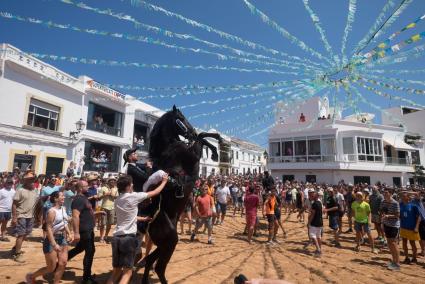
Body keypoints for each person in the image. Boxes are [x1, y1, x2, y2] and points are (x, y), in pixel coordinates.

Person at [106, 174, 168, 284]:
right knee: (127, 273)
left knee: (116, 271)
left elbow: (128, 216)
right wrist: (164, 182)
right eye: (131, 184)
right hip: (127, 239)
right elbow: (154, 193)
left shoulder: (117, 200)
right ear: (128, 186)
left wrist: (142, 219)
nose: (133, 185)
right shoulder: (133, 196)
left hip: (116, 238)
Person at [26, 191, 72, 283]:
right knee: (51, 268)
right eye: (62, 196)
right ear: (55, 199)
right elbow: (48, 228)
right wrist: (54, 244)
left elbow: (65, 222)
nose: (64, 197)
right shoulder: (51, 211)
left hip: (62, 238)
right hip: (52, 240)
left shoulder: (63, 208)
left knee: (63, 263)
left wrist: (69, 233)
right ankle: (31, 276)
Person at [68, 180, 97, 284]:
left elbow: (86, 212)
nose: (88, 187)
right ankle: (86, 278)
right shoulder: (78, 200)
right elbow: (75, 216)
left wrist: (97, 213)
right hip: (84, 230)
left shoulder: (84, 198)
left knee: (79, 248)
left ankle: (60, 263)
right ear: (80, 188)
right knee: (90, 251)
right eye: (86, 186)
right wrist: (76, 233)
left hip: (88, 229)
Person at [11, 171, 38, 263]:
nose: (32, 181)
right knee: (21, 235)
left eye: (33, 179)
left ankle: (15, 248)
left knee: (26, 233)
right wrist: (14, 217)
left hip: (31, 216)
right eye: (30, 179)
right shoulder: (20, 190)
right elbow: (14, 204)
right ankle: (17, 254)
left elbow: (36, 204)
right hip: (21, 215)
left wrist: (37, 216)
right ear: (25, 181)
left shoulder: (34, 190)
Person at [380, 188, 400, 271]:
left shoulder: (395, 203)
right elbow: (381, 211)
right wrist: (382, 218)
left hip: (393, 225)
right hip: (386, 224)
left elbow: (398, 215)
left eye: (386, 192)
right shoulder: (383, 202)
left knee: (393, 243)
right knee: (389, 243)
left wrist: (388, 216)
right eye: (384, 192)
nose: (384, 194)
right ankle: (393, 260)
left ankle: (397, 263)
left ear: (391, 193)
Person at [399, 191, 420, 264]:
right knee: (404, 243)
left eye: (404, 196)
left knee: (412, 243)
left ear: (408, 197)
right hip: (403, 227)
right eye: (402, 196)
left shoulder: (413, 205)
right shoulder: (400, 204)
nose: (402, 197)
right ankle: (406, 257)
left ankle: (414, 258)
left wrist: (416, 227)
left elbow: (419, 217)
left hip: (411, 227)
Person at [98, 177, 118, 243]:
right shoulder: (103, 188)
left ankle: (106, 236)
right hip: (104, 207)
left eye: (114, 181)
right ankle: (101, 237)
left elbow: (117, 197)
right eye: (111, 181)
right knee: (103, 224)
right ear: (108, 181)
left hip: (112, 208)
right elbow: (98, 198)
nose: (112, 182)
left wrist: (112, 195)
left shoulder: (116, 189)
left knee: (110, 223)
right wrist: (105, 194)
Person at [307, 191, 323, 256]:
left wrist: (309, 222)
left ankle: (318, 250)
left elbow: (312, 214)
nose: (311, 197)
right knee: (319, 236)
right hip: (320, 222)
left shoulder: (314, 204)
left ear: (315, 197)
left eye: (313, 196)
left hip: (314, 222)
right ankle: (319, 249)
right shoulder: (319, 203)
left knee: (313, 236)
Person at [0, 177, 15, 241]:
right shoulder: (1, 191)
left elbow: (14, 201)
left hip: (8, 211)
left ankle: (3, 236)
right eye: (8, 183)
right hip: (1, 210)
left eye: (11, 183)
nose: (10, 184)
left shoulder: (13, 191)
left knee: (5, 224)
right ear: (5, 183)